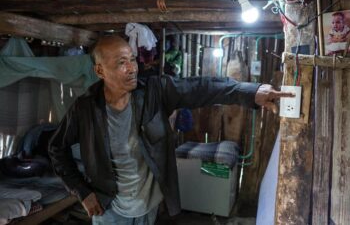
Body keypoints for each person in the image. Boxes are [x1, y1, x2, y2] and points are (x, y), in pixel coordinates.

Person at [48, 35, 293, 225]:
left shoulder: (154, 91)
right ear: (100, 71)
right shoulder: (85, 109)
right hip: (110, 209)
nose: (132, 68)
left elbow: (201, 88)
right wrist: (82, 191)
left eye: (132, 59)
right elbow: (56, 148)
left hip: (149, 206)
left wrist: (250, 91)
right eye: (121, 63)